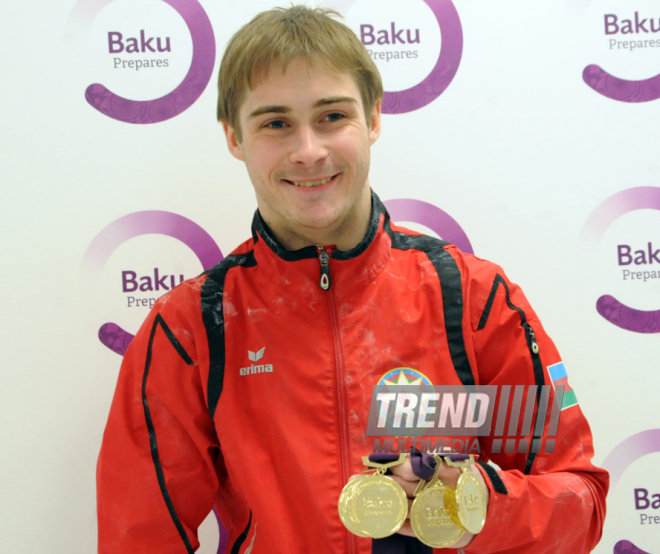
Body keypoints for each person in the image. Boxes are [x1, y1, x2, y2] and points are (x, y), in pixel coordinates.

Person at [97, 5, 608, 553]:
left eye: (332, 116)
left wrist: (480, 505)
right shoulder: (193, 326)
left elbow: (581, 501)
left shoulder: (474, 298)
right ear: (233, 137)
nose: (309, 151)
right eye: (275, 123)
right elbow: (139, 537)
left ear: (374, 118)